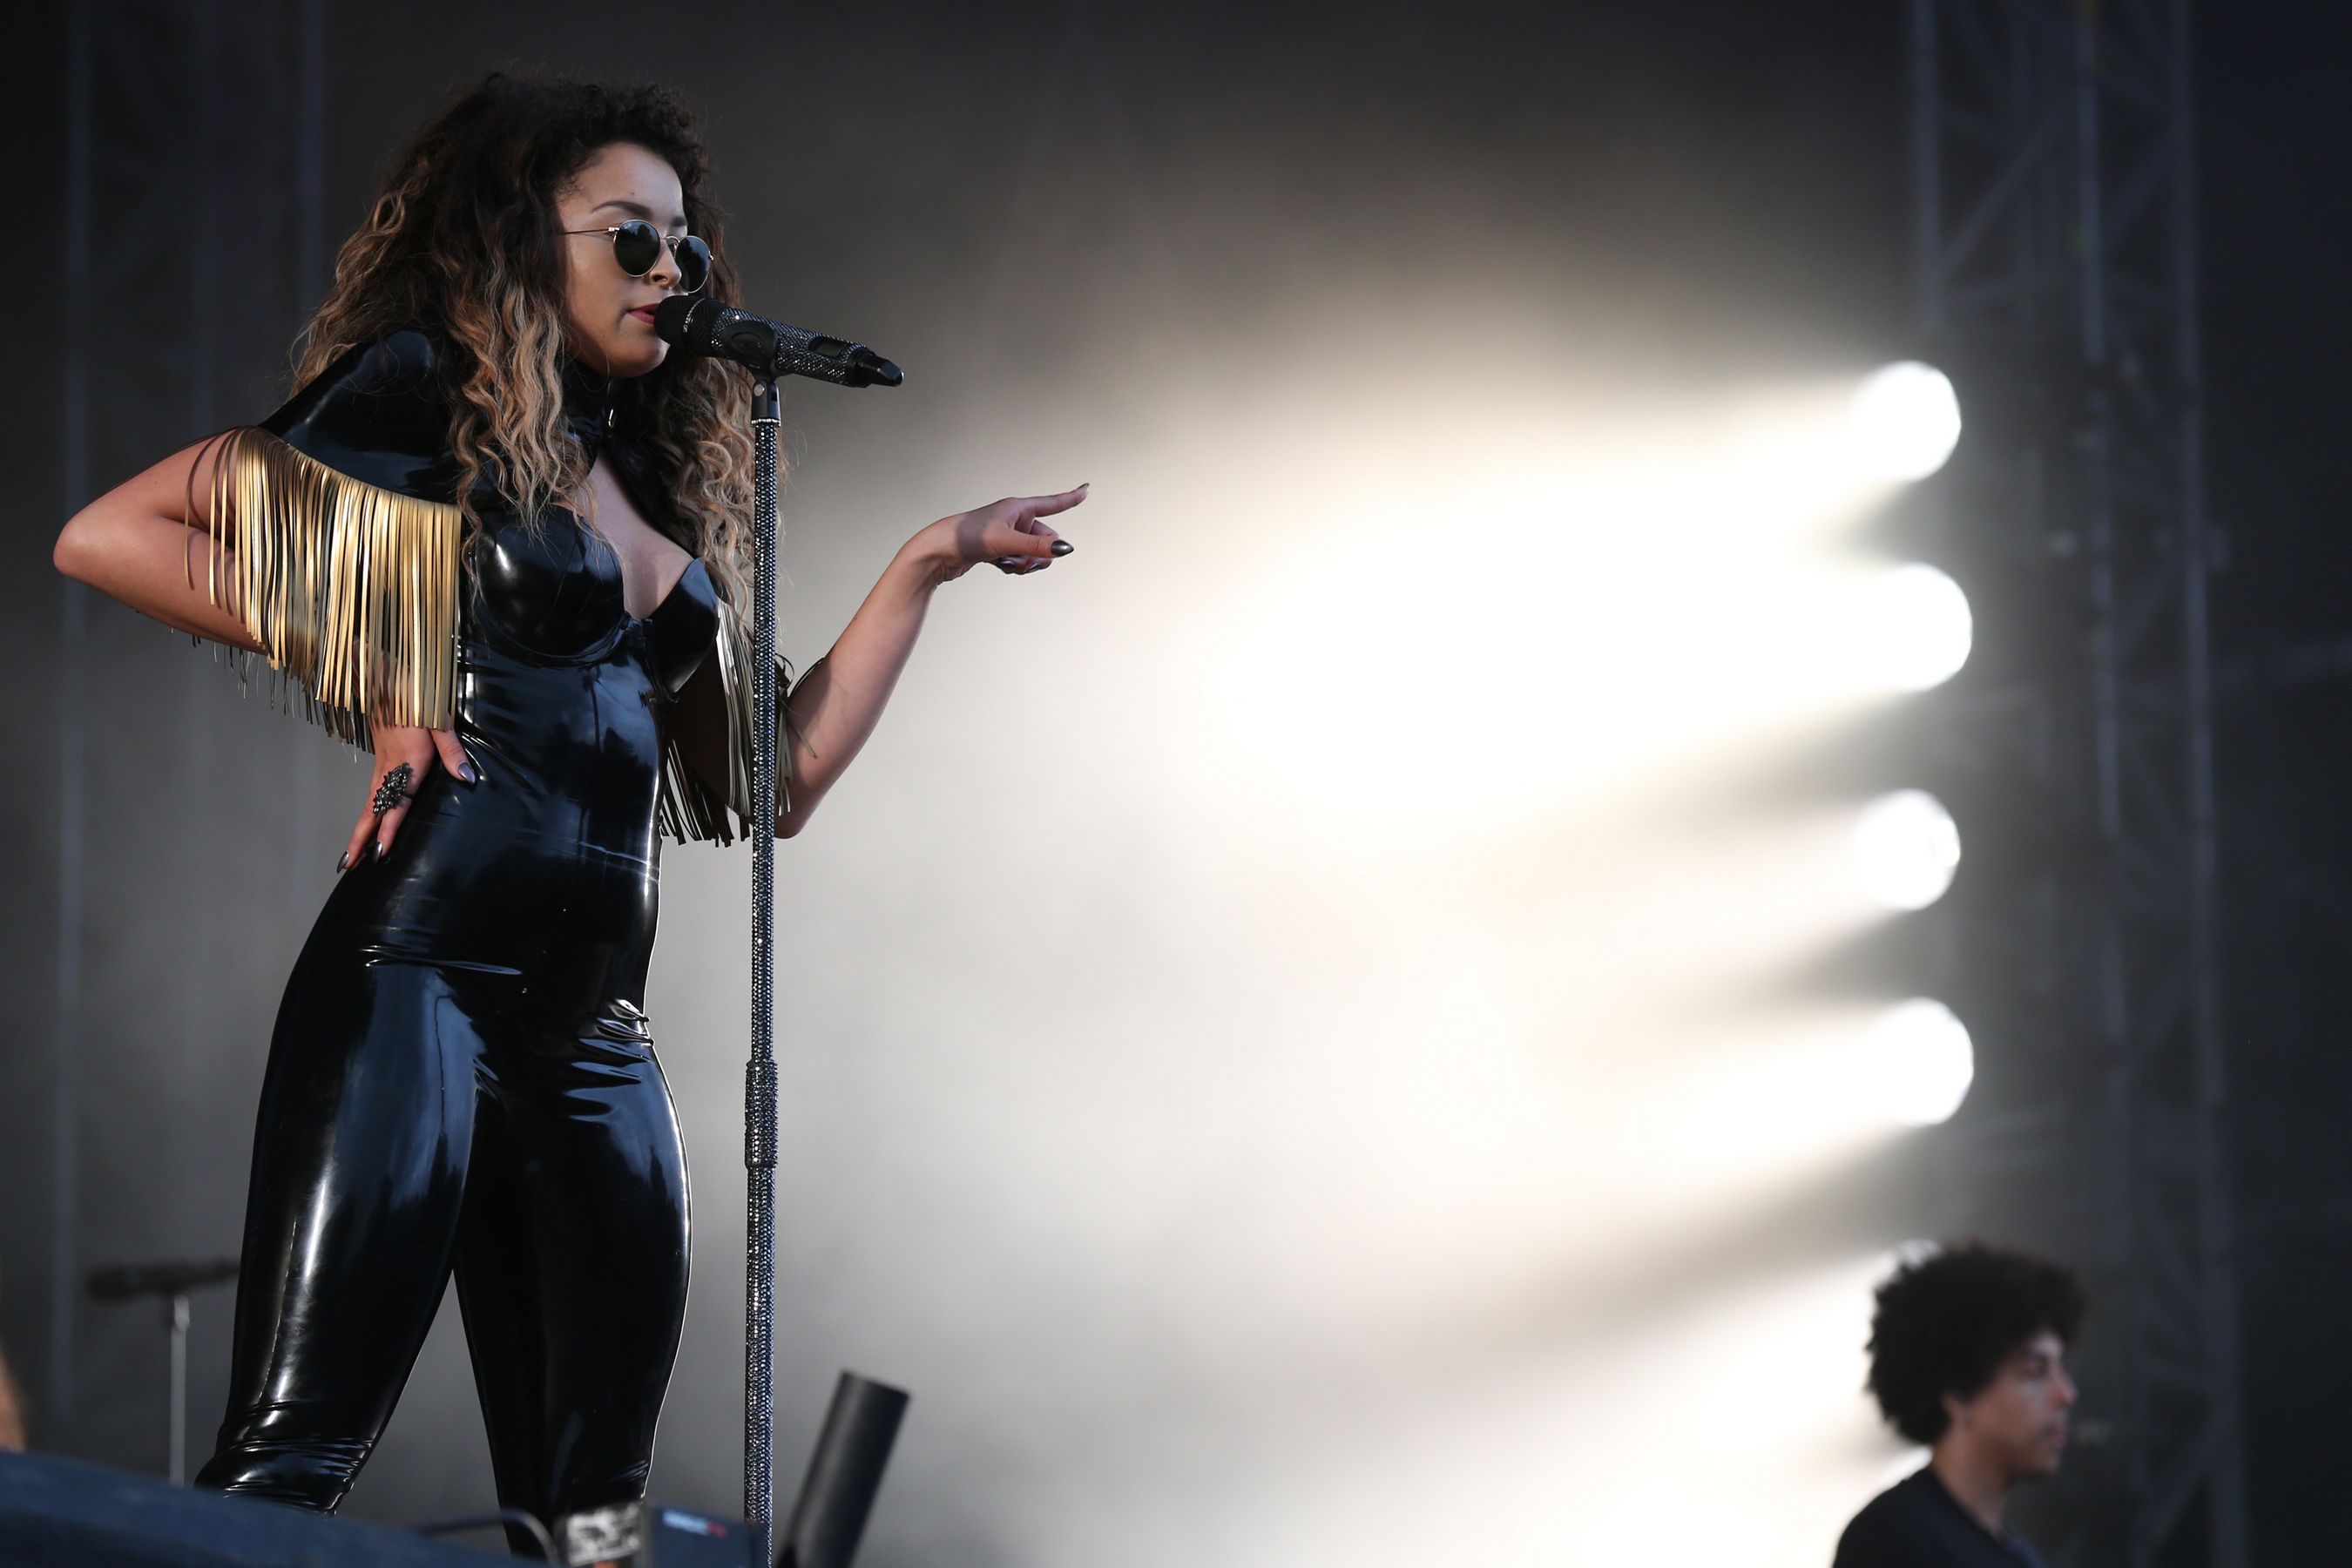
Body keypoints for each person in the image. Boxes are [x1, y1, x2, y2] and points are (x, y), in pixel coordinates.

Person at [51, 72, 1084, 1544]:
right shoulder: (428, 397)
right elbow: (110, 535)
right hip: (420, 980)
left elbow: (772, 778)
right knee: (295, 1459)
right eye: (631, 239)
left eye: (687, 248)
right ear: (523, 242)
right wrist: (386, 661)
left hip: (598, 1035)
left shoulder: (653, 491)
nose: (672, 274)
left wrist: (927, 560)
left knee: (593, 1520)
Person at [1833, 1240, 2088, 1567]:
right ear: (1958, 1395)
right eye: (2035, 1372)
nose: (2065, 1394)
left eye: (2059, 1367)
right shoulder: (1894, 1539)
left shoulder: (2016, 1555)